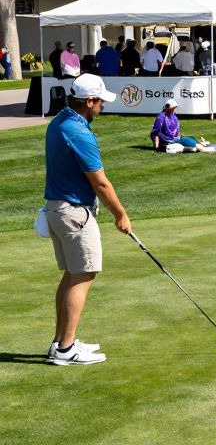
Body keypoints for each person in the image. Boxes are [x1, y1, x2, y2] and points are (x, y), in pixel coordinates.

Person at [44, 74, 132, 365]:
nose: (101, 108)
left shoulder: (59, 120)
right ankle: (66, 349)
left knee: (71, 274)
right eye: (99, 103)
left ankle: (60, 342)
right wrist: (121, 215)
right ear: (89, 101)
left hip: (58, 209)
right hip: (74, 213)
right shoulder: (79, 133)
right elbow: (101, 184)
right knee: (83, 274)